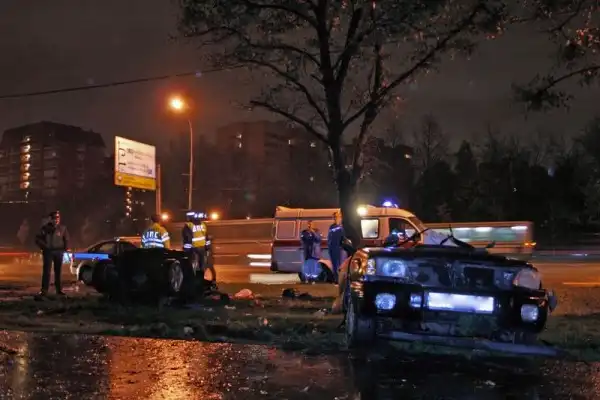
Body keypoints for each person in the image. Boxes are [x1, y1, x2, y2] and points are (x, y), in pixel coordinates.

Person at [35, 211, 69, 297]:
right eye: (54, 218)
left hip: (58, 252)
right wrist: (44, 247)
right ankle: (44, 290)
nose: (56, 220)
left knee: (58, 271)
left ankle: (59, 290)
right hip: (48, 252)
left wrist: (64, 249)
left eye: (58, 218)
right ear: (50, 219)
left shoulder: (63, 228)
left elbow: (66, 239)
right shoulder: (45, 228)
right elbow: (38, 239)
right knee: (46, 271)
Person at [327, 211, 346, 283]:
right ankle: (336, 279)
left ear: (340, 217)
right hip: (332, 248)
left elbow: (345, 238)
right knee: (334, 265)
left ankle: (341, 279)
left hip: (340, 249)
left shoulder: (343, 226)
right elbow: (329, 238)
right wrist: (329, 247)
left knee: (341, 264)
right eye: (334, 217)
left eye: (336, 217)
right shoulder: (332, 226)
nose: (335, 218)